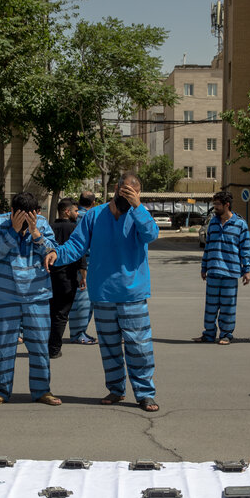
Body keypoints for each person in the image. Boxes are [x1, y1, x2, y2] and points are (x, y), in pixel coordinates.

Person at [45, 174, 161, 411]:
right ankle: (116, 389)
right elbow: (76, 245)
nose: (128, 196)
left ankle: (145, 393)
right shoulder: (94, 216)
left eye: (134, 192)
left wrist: (138, 207)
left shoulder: (139, 215)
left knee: (139, 346)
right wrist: (57, 253)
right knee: (109, 346)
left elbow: (151, 234)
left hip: (133, 293)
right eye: (125, 191)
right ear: (116, 189)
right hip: (103, 293)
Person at [0, 192, 60, 407]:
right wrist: (13, 230)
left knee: (39, 344)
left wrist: (35, 232)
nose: (25, 220)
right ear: (12, 212)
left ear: (36, 212)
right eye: (19, 216)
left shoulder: (42, 223)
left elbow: (52, 251)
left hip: (37, 294)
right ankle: (1, 391)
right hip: (5, 293)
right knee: (4, 345)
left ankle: (42, 391)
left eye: (30, 216)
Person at [195, 190, 250, 345]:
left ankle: (226, 334)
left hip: (230, 272)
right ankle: (208, 334)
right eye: (214, 204)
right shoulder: (213, 223)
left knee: (228, 306)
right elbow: (208, 247)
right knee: (210, 307)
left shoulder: (240, 224)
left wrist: (246, 270)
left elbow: (245, 249)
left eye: (218, 204)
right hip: (213, 270)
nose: (215, 207)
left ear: (227, 205)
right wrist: (204, 267)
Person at [48, 197, 83, 359]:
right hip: (68, 277)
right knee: (61, 314)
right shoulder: (75, 229)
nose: (78, 213)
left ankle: (45, 345)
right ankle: (54, 349)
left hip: (49, 277)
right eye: (75, 211)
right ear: (67, 212)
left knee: (49, 312)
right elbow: (80, 253)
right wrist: (83, 276)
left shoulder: (49, 228)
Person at [67, 190, 97, 345]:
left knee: (80, 298)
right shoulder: (91, 218)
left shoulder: (75, 216)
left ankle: (79, 332)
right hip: (86, 263)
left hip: (73, 261)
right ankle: (78, 333)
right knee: (83, 299)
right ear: (93, 203)